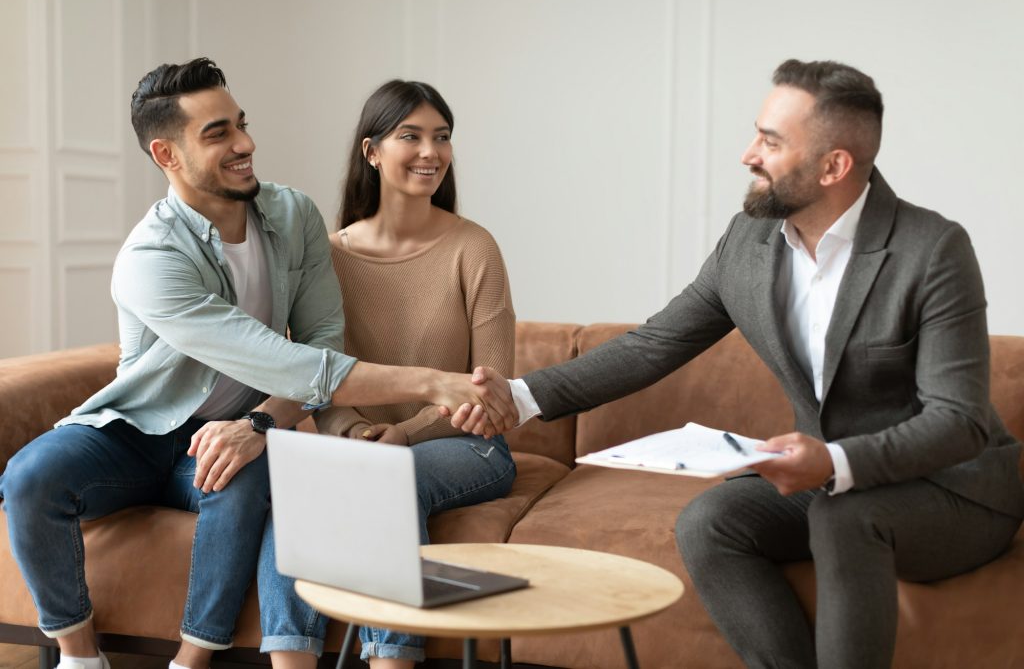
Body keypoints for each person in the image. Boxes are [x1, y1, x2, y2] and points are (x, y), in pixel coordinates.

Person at [453, 59, 1024, 668]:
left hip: (952, 490)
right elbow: (655, 344)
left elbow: (958, 420)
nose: (748, 154)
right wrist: (518, 398)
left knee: (843, 516)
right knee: (711, 522)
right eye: (757, 132)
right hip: (829, 482)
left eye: (771, 141)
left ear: (834, 165)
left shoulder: (931, 250)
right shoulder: (748, 245)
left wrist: (831, 460)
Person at [0, 58, 508, 669]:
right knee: (28, 478)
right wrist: (409, 397)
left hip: (285, 430)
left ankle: (197, 657)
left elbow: (324, 343)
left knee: (286, 485)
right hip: (140, 429)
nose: (246, 144)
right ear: (167, 155)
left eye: (241, 124)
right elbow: (289, 362)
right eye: (218, 133)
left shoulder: (296, 217)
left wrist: (270, 424)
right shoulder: (151, 257)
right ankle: (80, 657)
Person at [256, 80, 518, 669]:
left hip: (466, 445)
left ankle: (392, 661)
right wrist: (352, 434)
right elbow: (319, 373)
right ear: (371, 151)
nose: (431, 152)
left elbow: (492, 382)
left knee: (386, 482)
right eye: (412, 136)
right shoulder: (330, 256)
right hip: (359, 448)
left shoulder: (473, 247)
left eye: (442, 137)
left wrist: (407, 433)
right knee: (298, 501)